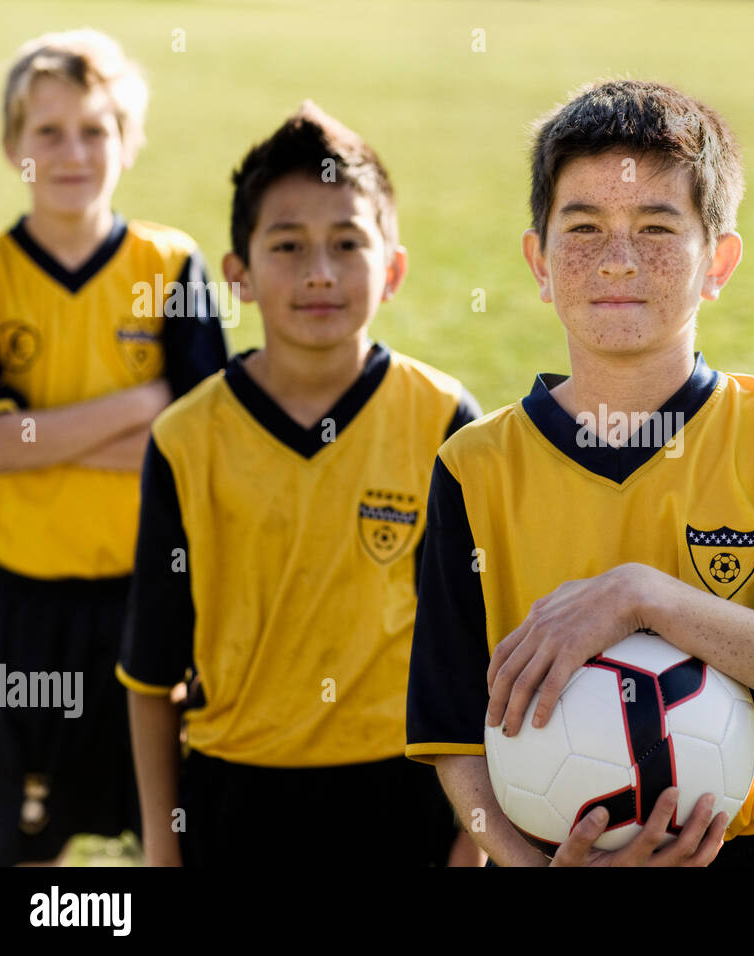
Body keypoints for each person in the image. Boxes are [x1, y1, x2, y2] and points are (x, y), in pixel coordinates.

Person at [406, 79, 754, 867]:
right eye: (585, 227)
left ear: (720, 261)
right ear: (538, 259)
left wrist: (647, 598)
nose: (618, 261)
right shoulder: (475, 466)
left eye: (658, 227)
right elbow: (452, 735)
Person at [118, 103, 481, 866]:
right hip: (235, 797)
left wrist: (471, 837)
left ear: (393, 269)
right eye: (288, 246)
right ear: (238, 275)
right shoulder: (185, 437)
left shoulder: (445, 418)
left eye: (348, 243)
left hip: (402, 795)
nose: (320, 271)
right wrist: (161, 843)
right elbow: (151, 670)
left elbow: (472, 651)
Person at [0, 29, 227, 866]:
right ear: (13, 145)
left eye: (95, 129)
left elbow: (199, 454)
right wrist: (143, 401)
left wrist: (34, 440)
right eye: (47, 132)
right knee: (19, 839)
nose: (72, 152)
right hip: (25, 610)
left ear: (128, 141)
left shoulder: (171, 263)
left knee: (170, 834)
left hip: (152, 599)